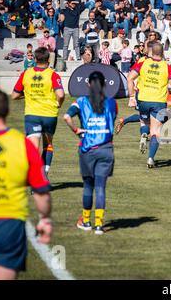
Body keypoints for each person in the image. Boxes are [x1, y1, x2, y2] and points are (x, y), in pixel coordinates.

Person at [0, 89, 52, 280]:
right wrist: (45, 219)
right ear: (6, 112)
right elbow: (40, 190)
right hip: (7, 224)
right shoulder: (23, 145)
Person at [63, 71, 117, 235]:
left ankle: (86, 221)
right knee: (101, 187)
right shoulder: (112, 103)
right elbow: (112, 120)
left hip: (88, 148)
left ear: (88, 85)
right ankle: (99, 225)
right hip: (106, 148)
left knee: (88, 186)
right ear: (104, 85)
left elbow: (66, 116)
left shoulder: (80, 102)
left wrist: (76, 129)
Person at [11, 47, 65, 176]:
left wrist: (27, 94)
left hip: (32, 115)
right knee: (48, 145)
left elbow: (14, 96)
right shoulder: (53, 74)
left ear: (35, 59)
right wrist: (59, 103)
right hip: (49, 115)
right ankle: (44, 174)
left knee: (33, 148)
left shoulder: (26, 73)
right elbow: (61, 94)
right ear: (48, 59)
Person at [128, 42, 171, 168]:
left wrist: (132, 96)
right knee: (155, 131)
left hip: (143, 100)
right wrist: (168, 88)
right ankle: (150, 158)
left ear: (151, 52)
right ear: (162, 53)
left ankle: (143, 135)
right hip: (158, 101)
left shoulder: (143, 63)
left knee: (144, 123)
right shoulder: (168, 67)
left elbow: (129, 78)